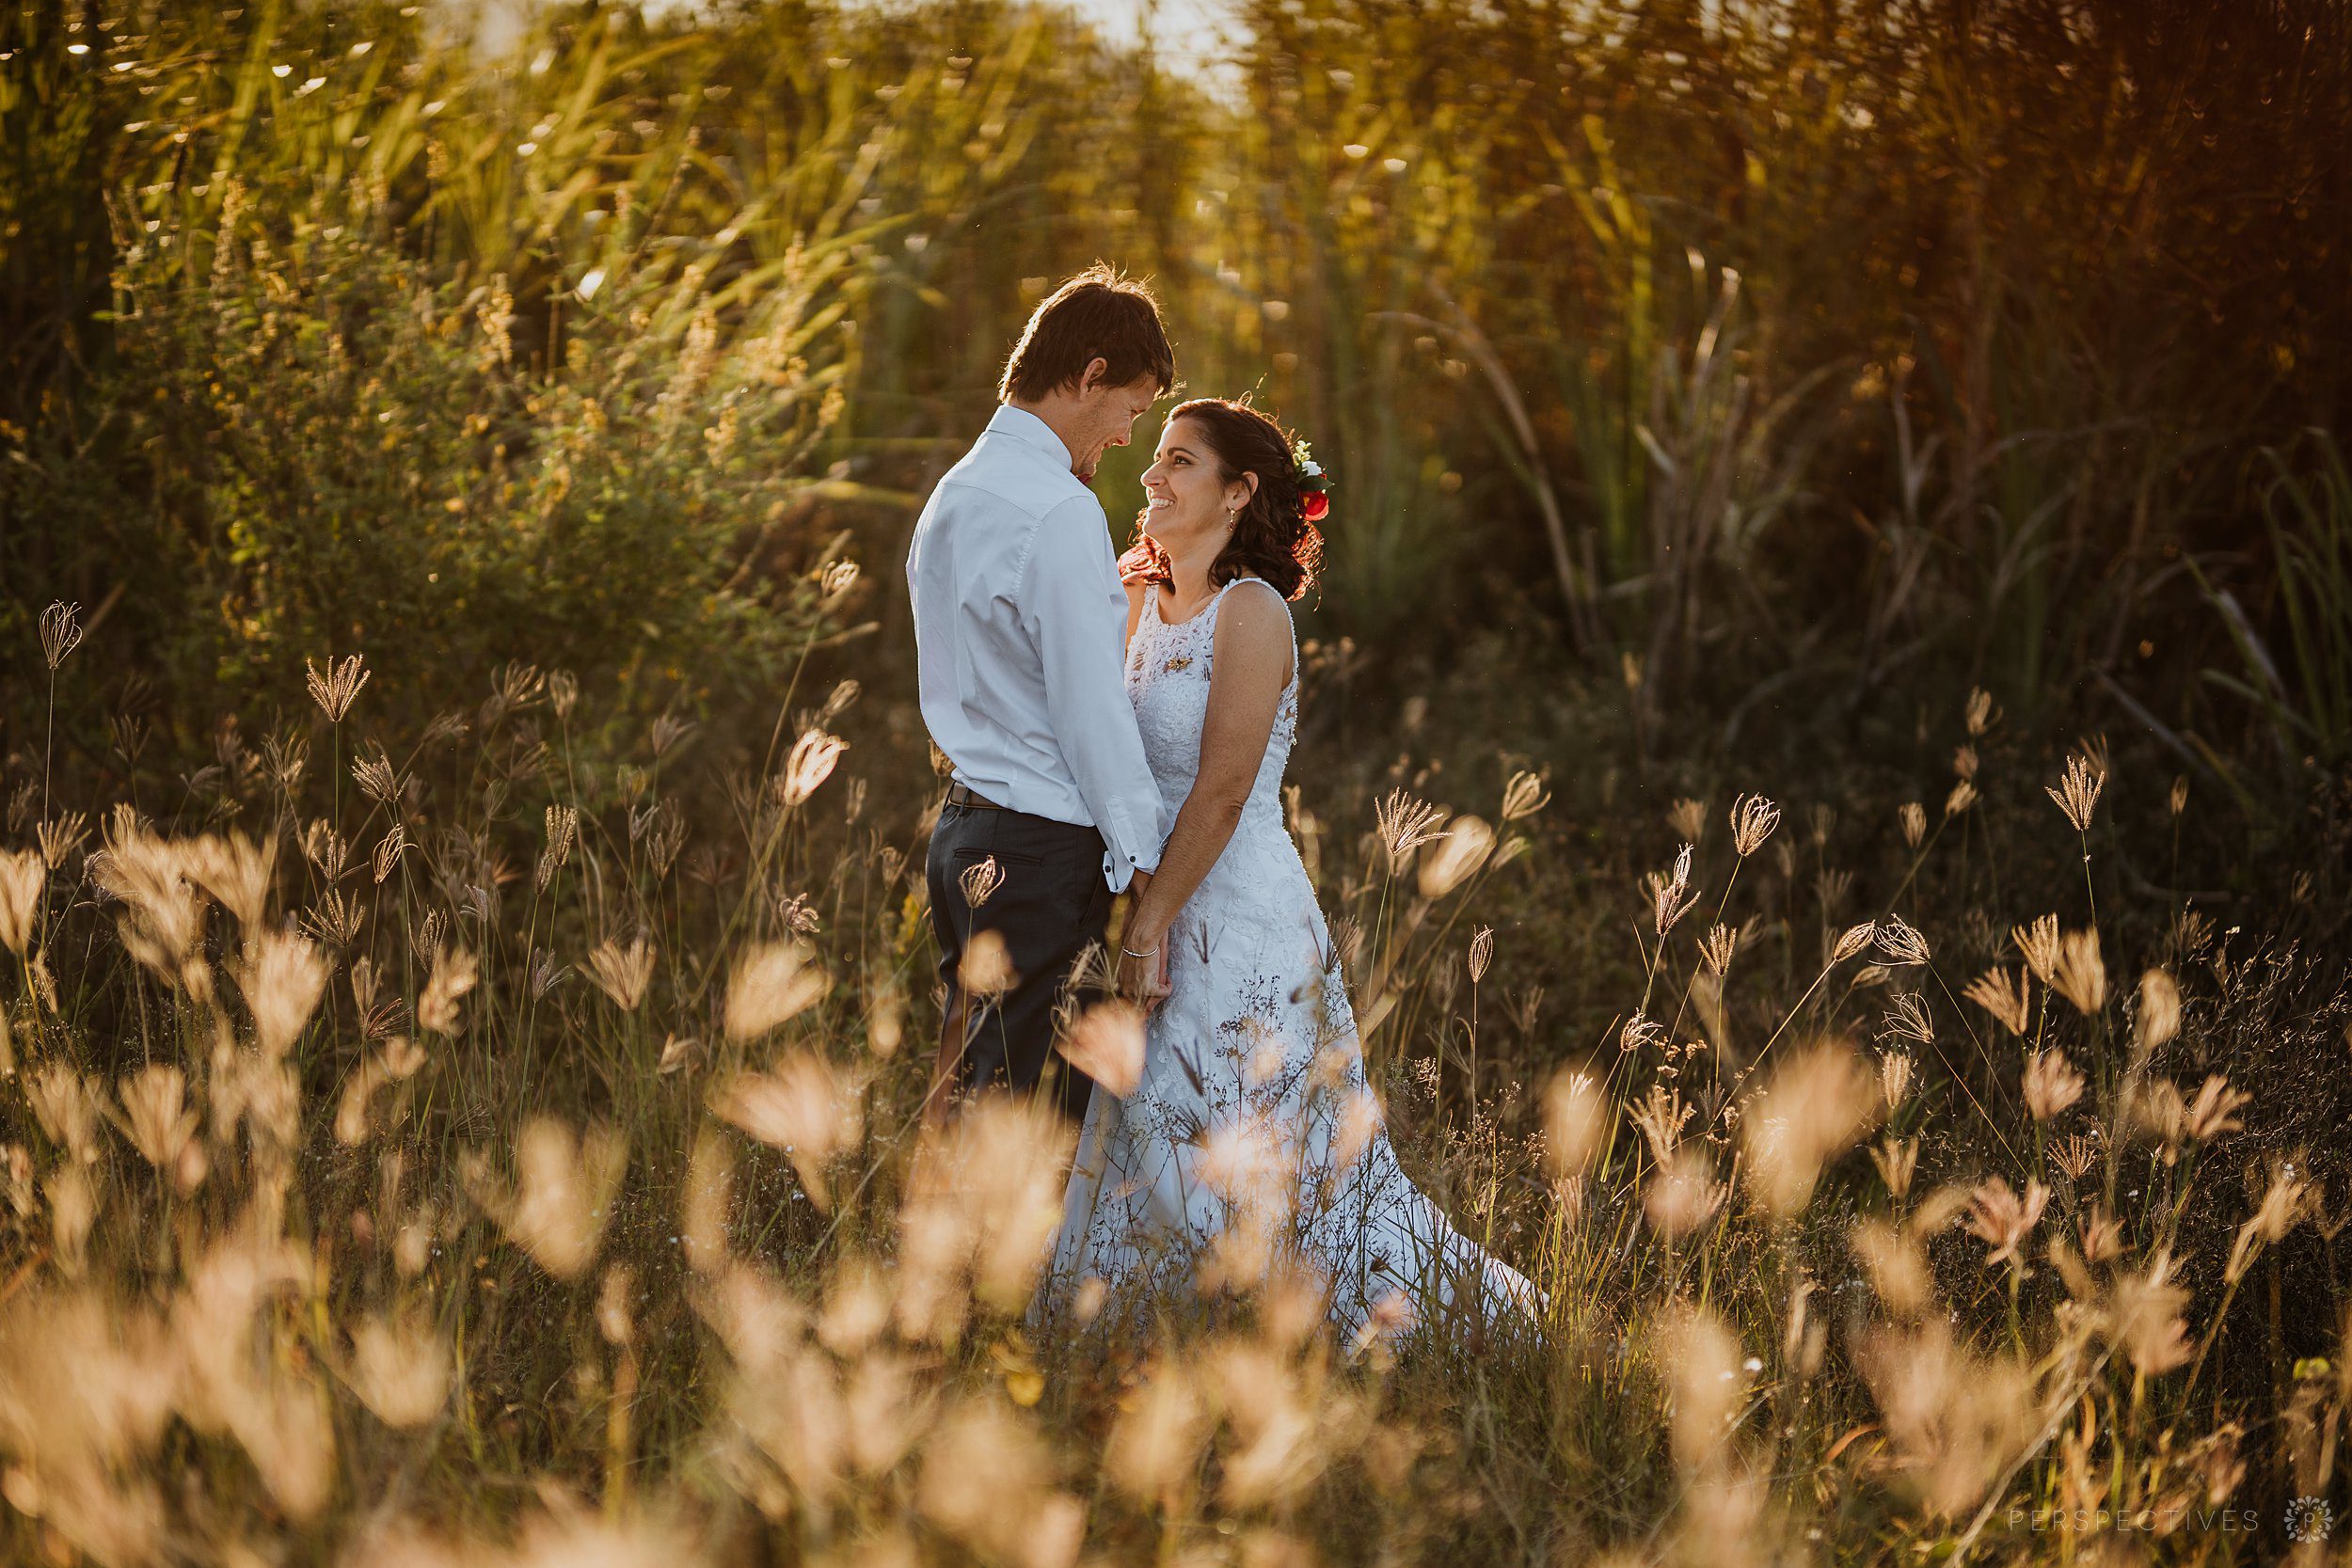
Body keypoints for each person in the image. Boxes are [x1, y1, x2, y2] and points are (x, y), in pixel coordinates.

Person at [1046, 396, 1541, 1342]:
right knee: (1154, 1126)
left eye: (1180, 461)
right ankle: (1162, 1321)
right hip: (1147, 903)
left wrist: (1149, 929)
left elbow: (1224, 790)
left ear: (1239, 493)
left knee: (1262, 1131)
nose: (1152, 476)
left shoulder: (1253, 611)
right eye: (1154, 457)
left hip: (1237, 916)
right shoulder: (1134, 600)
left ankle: (1303, 1314)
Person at [905, 265, 1177, 1128]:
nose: (1130, 435)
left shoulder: (953, 493)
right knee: (1023, 1122)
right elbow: (1089, 711)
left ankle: (927, 1258)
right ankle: (988, 1266)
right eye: (1131, 408)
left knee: (968, 1080)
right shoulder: (1058, 510)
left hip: (961, 832)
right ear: (1090, 374)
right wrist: (1145, 867)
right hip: (1036, 850)